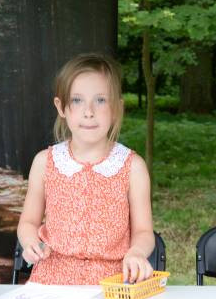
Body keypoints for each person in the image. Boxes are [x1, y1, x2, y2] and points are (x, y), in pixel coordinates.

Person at [17, 53, 154, 286]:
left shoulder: (133, 167)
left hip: (113, 284)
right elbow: (28, 222)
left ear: (116, 108)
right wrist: (30, 241)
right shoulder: (45, 162)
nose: (88, 111)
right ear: (61, 107)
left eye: (100, 100)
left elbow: (143, 231)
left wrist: (137, 252)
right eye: (77, 100)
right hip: (51, 282)